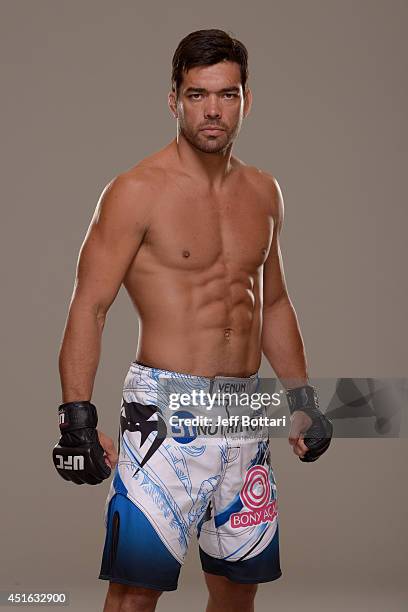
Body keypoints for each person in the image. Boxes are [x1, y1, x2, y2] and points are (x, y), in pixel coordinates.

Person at [53, 28, 332, 612]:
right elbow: (90, 305)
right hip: (165, 410)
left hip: (243, 409)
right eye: (198, 94)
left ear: (246, 100)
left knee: (238, 588)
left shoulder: (264, 192)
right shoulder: (135, 191)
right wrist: (76, 414)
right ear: (174, 98)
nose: (213, 110)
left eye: (227, 95)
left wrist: (301, 392)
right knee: (136, 590)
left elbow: (273, 301)